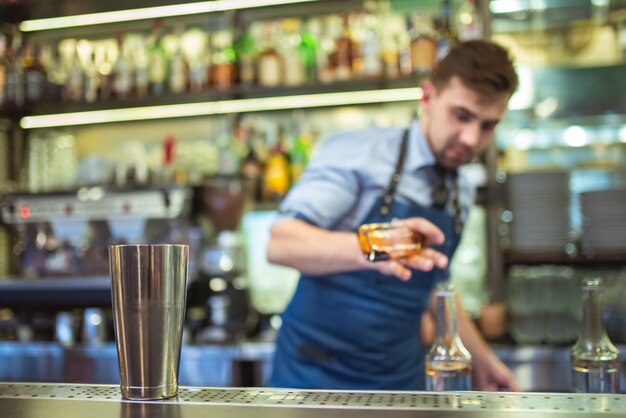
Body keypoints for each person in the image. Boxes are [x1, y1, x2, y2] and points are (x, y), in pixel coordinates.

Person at [266, 40, 519, 391]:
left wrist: (483, 359)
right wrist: (380, 245)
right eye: (461, 116)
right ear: (428, 97)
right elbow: (281, 243)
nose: (471, 138)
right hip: (317, 373)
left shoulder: (460, 186)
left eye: (488, 125)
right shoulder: (359, 153)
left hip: (399, 376)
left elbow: (436, 284)